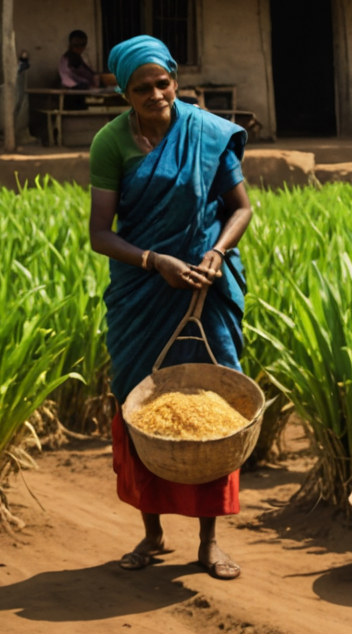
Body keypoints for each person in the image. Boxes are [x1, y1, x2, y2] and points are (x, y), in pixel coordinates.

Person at [87, 35, 253, 580]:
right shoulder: (111, 144)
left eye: (163, 83)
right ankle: (152, 533)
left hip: (206, 288)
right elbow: (100, 235)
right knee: (142, 406)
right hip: (142, 290)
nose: (156, 94)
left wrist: (216, 251)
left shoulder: (206, 133)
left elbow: (241, 209)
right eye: (142, 88)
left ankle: (209, 541)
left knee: (214, 407)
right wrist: (154, 260)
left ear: (175, 80)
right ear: (124, 94)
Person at [58, 29, 97, 108]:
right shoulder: (70, 58)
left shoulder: (76, 57)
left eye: (82, 45)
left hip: (78, 90)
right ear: (71, 44)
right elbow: (81, 74)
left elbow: (88, 72)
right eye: (76, 45)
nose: (79, 48)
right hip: (73, 90)